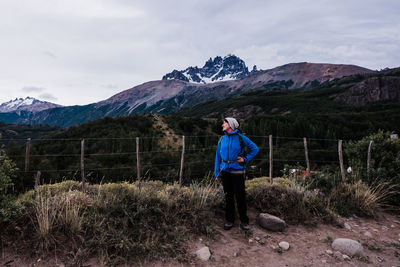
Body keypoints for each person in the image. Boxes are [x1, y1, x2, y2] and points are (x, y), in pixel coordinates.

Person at [214, 117, 259, 230]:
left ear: (231, 125)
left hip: (237, 171)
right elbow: (218, 157)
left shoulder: (241, 138)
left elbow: (255, 149)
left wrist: (245, 159)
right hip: (225, 171)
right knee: (228, 196)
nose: (222, 125)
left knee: (240, 196)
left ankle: (244, 221)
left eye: (224, 123)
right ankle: (230, 220)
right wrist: (216, 173)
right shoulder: (221, 139)